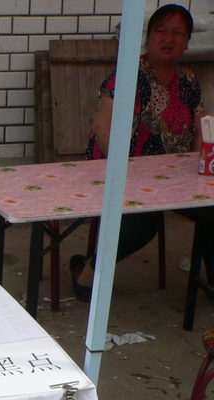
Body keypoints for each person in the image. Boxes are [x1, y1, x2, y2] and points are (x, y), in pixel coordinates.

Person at [71, 4, 208, 301]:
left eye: (177, 33)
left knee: (211, 208)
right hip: (118, 171)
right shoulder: (130, 75)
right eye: (161, 30)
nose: (168, 38)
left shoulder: (188, 80)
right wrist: (126, 172)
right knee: (144, 220)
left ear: (186, 43)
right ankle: (89, 272)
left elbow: (200, 130)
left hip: (173, 178)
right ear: (148, 37)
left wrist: (202, 173)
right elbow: (102, 127)